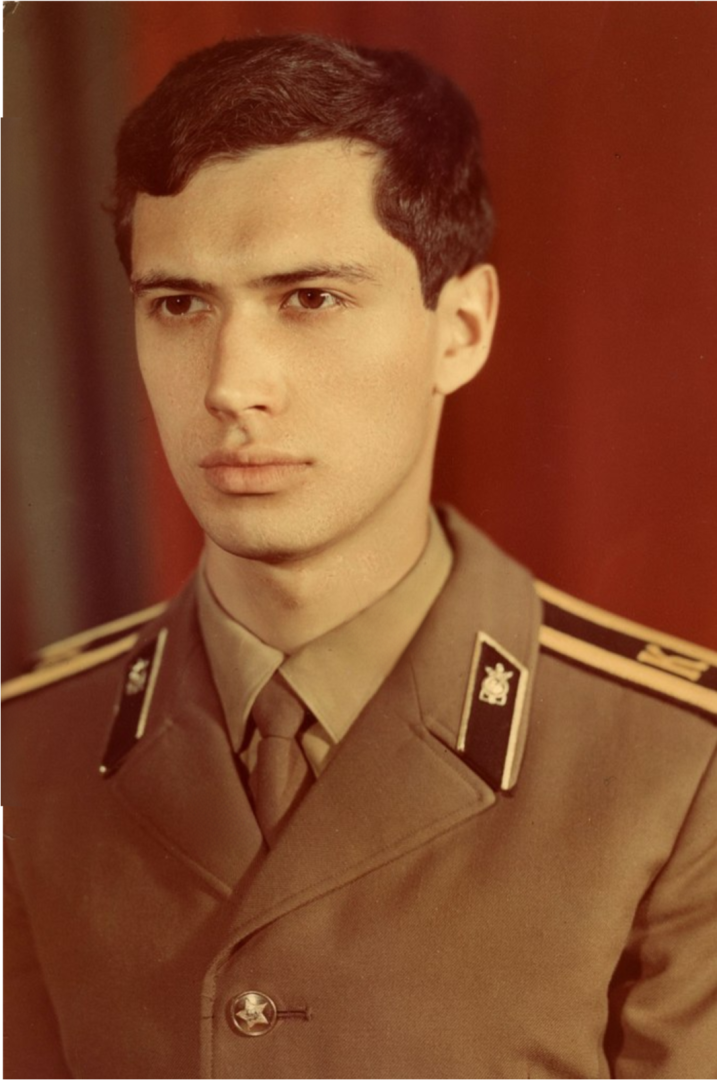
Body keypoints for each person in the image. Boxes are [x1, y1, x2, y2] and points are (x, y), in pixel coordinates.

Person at [2, 33, 716, 1080]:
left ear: (460, 330)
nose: (231, 386)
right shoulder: (28, 751)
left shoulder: (678, 768)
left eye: (311, 299)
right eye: (180, 304)